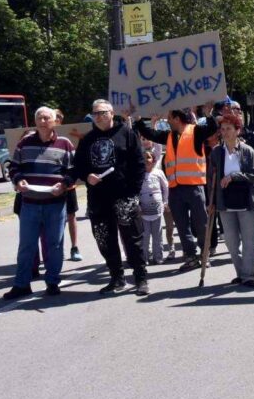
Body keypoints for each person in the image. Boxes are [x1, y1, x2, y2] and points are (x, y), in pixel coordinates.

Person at [73, 100, 149, 295]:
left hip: (125, 196)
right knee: (104, 239)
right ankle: (116, 277)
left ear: (112, 113)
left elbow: (139, 164)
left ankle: (140, 278)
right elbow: (79, 166)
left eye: (102, 112)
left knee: (133, 238)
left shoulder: (127, 134)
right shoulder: (87, 139)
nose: (98, 116)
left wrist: (133, 192)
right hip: (99, 198)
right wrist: (87, 176)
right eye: (95, 113)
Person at [134, 106, 217, 273]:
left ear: (177, 119)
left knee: (201, 223)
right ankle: (190, 256)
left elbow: (212, 128)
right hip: (175, 189)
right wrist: (138, 121)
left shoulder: (196, 132)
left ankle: (204, 254)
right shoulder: (169, 136)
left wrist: (209, 115)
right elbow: (151, 134)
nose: (168, 120)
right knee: (182, 225)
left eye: (170, 118)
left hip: (194, 187)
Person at [3, 107, 75, 299]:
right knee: (26, 246)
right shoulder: (24, 143)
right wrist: (18, 181)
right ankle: (21, 284)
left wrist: (64, 184)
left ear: (54, 121)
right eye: (39, 118)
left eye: (47, 118)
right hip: (30, 203)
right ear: (35, 122)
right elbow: (14, 167)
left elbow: (73, 170)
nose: (43, 121)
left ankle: (52, 282)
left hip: (56, 203)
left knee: (55, 245)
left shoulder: (65, 144)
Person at [209, 111, 254, 288]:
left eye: (229, 129)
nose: (225, 132)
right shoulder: (216, 153)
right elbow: (211, 180)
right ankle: (240, 273)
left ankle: (248, 276)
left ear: (237, 130)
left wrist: (234, 176)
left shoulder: (247, 151)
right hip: (226, 203)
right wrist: (211, 203)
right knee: (231, 243)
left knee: (249, 241)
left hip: (247, 202)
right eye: (222, 129)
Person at [54, 109, 82, 262]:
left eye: (59, 117)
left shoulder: (68, 136)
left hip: (68, 185)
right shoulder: (44, 135)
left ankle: (74, 247)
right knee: (54, 218)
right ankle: (58, 248)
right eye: (54, 117)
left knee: (71, 216)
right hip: (52, 185)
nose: (57, 119)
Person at [140, 149, 169, 265]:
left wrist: (165, 201)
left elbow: (165, 187)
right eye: (144, 158)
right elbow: (135, 190)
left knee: (157, 234)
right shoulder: (139, 173)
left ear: (153, 160)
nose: (146, 160)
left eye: (148, 157)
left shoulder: (158, 172)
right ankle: (145, 257)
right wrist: (138, 206)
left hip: (157, 209)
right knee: (145, 235)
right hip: (144, 210)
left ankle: (158, 257)